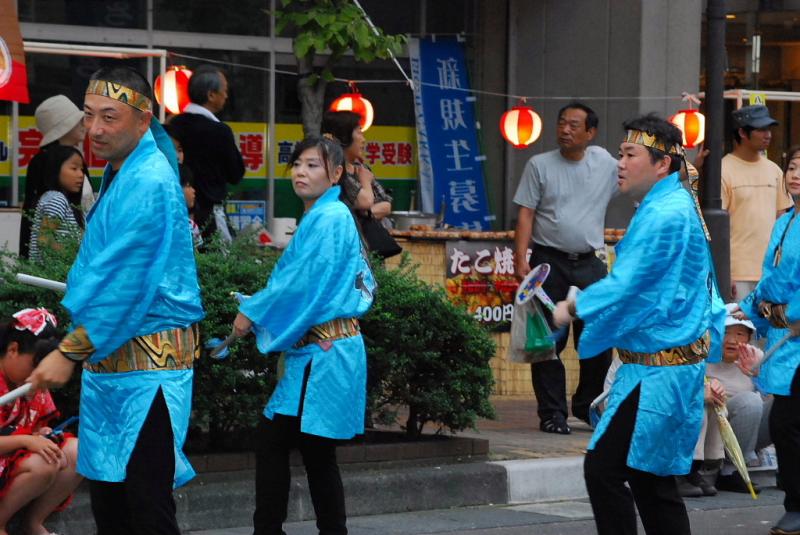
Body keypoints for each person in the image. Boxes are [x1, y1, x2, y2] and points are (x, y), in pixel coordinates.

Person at [26, 65, 204, 535]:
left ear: (143, 121)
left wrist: (71, 350)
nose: (95, 129)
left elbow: (128, 283)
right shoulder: (122, 172)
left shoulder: (148, 179)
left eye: (110, 116)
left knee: (144, 508)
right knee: (113, 506)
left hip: (148, 371)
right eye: (89, 115)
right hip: (115, 368)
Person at [553, 114, 726, 535]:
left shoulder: (666, 213)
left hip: (659, 370)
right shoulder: (670, 205)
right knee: (648, 479)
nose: (621, 163)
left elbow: (630, 282)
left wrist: (574, 306)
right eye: (620, 154)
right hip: (658, 366)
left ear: (662, 164)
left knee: (606, 470)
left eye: (630, 154)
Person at [230, 136, 375, 535]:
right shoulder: (326, 215)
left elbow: (301, 284)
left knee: (286, 445)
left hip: (324, 353)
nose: (300, 172)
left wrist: (251, 312)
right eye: (297, 164)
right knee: (311, 452)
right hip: (322, 351)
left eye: (312, 165)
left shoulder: (329, 217)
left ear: (336, 173)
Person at [512, 101, 618, 434]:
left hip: (590, 263)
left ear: (591, 132)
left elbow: (638, 176)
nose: (565, 130)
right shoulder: (539, 164)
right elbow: (526, 213)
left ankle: (588, 406)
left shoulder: (605, 162)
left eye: (574, 125)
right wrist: (520, 258)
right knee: (546, 342)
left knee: (597, 338)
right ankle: (552, 414)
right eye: (561, 123)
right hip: (548, 262)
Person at [737, 145, 800, 535]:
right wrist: (747, 307)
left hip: (796, 330)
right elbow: (769, 277)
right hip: (785, 334)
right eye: (792, 166)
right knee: (786, 423)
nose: (796, 174)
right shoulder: (784, 222)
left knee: (787, 421)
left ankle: (796, 504)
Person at [0, 308, 81, 535]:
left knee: (77, 452)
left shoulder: (32, 383)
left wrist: (41, 434)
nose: (42, 374)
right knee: (43, 463)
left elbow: (35, 425)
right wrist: (27, 441)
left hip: (13, 458)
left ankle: (33, 522)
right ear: (13, 350)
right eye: (36, 365)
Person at [679, 304, 772, 497]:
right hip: (709, 427)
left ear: (749, 338)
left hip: (745, 432)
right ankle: (692, 469)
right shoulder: (698, 357)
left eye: (740, 334)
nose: (731, 340)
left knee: (776, 404)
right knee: (705, 401)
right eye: (725, 332)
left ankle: (731, 470)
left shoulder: (755, 358)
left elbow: (771, 401)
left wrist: (759, 374)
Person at [721, 104, 793, 301]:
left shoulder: (774, 170)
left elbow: (783, 221)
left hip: (771, 272)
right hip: (737, 275)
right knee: (737, 322)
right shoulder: (723, 170)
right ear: (742, 133)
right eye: (761, 129)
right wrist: (725, 272)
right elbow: (717, 229)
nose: (768, 135)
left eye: (769, 129)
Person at [168, 65, 244, 243]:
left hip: (174, 213)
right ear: (211, 95)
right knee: (217, 258)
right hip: (210, 216)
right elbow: (236, 174)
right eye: (224, 91)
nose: (226, 96)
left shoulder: (172, 125)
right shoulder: (219, 131)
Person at [19, 95, 93, 258]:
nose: (84, 125)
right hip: (55, 265)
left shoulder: (73, 158)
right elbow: (37, 223)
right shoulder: (43, 163)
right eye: (78, 121)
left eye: (80, 169)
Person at [321, 110, 393, 220]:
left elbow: (386, 205)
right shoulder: (334, 171)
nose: (363, 140)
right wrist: (365, 182)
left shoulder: (363, 169)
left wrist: (365, 214)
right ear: (344, 137)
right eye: (359, 133)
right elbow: (366, 201)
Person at [27, 145, 87, 262]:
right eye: (74, 168)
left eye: (82, 169)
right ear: (55, 170)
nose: (81, 175)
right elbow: (44, 240)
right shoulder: (57, 199)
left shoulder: (63, 200)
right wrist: (75, 256)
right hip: (51, 272)